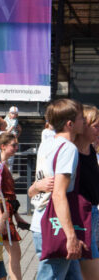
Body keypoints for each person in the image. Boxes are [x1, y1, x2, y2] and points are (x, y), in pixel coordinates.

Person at [28, 98, 85, 280]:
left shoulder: (47, 144)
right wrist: (71, 236)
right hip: (54, 226)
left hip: (40, 221)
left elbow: (38, 186)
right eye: (81, 118)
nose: (84, 121)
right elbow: (59, 194)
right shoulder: (68, 149)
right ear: (70, 124)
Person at [0, 133, 28, 280]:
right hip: (2, 215)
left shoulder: (4, 165)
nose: (16, 148)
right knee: (10, 254)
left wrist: (16, 215)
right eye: (13, 145)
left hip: (7, 213)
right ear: (3, 146)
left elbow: (9, 194)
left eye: (17, 145)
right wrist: (1, 218)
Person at [74, 105, 99, 279]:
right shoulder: (71, 151)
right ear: (84, 125)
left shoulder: (90, 150)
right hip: (78, 217)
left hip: (93, 212)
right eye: (96, 126)